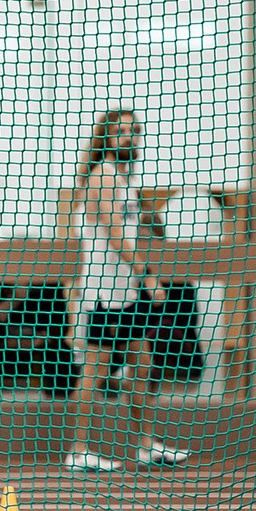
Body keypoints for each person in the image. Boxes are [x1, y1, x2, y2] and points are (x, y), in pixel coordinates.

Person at [62, 109, 189, 470]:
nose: (130, 138)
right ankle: (78, 450)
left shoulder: (124, 180)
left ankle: (146, 445)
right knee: (95, 370)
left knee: (143, 363)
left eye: (135, 131)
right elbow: (115, 233)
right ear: (106, 138)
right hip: (103, 293)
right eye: (121, 132)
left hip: (125, 294)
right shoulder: (103, 175)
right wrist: (147, 274)